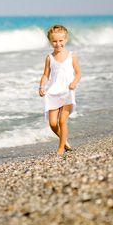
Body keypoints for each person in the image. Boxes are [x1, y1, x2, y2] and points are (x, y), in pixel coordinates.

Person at [39, 25, 81, 155]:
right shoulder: (49, 58)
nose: (58, 44)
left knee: (62, 120)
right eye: (54, 41)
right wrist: (42, 87)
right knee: (52, 123)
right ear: (50, 42)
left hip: (67, 91)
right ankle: (64, 140)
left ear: (66, 40)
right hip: (53, 92)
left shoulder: (71, 56)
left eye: (60, 41)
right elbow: (46, 74)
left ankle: (61, 148)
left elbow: (78, 73)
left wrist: (74, 82)